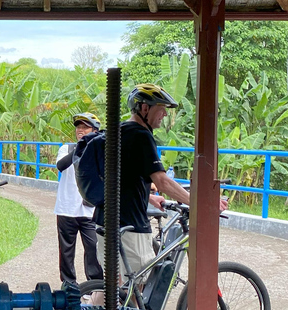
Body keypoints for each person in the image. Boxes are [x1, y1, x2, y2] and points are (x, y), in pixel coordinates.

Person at [92, 83, 228, 284]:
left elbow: (121, 178)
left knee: (114, 290)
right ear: (144, 108)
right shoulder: (141, 136)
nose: (164, 114)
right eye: (160, 108)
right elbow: (162, 182)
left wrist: (148, 196)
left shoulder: (120, 131)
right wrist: (198, 203)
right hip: (130, 228)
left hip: (106, 221)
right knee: (138, 286)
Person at [55, 112, 103, 285]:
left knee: (93, 249)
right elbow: (61, 166)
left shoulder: (99, 151)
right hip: (66, 208)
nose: (80, 131)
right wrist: (80, 146)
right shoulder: (66, 149)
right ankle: (69, 286)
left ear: (95, 131)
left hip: (89, 210)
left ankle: (95, 286)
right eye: (78, 127)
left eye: (85, 127)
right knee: (66, 250)